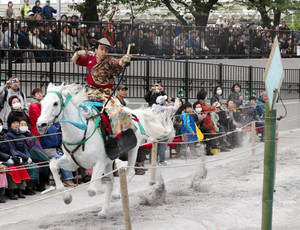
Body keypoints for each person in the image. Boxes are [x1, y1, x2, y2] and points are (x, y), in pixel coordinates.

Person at [71, 38, 131, 136]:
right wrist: (78, 53)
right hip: (90, 91)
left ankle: (117, 136)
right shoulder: (90, 58)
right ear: (96, 50)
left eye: (106, 50)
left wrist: (124, 60)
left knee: (117, 111)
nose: (104, 52)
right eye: (102, 49)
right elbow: (74, 60)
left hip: (105, 94)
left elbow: (118, 63)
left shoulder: (110, 60)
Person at [6, 116, 33, 199]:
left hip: (15, 156)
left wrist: (27, 156)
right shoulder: (8, 135)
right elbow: (12, 148)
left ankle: (20, 189)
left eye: (17, 123)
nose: (16, 125)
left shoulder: (20, 134)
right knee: (13, 168)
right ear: (10, 125)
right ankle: (12, 191)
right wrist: (14, 156)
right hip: (7, 157)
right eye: (14, 123)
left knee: (21, 166)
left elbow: (24, 148)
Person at [20, 119, 50, 191]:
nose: (24, 126)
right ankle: (33, 185)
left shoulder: (30, 134)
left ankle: (41, 184)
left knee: (44, 161)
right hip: (25, 155)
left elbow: (37, 145)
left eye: (25, 125)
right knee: (37, 162)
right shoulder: (18, 135)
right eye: (22, 125)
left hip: (34, 154)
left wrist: (30, 135)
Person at [152, 95, 180, 166]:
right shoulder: (166, 109)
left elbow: (165, 107)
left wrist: (168, 102)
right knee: (163, 146)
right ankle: (161, 161)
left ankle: (156, 160)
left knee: (157, 145)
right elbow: (175, 108)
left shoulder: (155, 107)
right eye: (165, 100)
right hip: (164, 130)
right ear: (163, 102)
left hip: (156, 129)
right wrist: (176, 100)